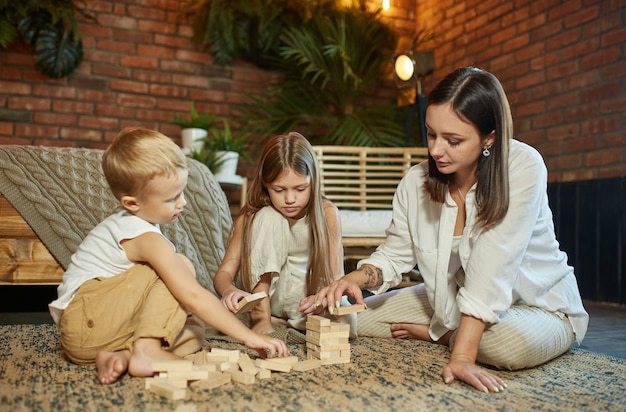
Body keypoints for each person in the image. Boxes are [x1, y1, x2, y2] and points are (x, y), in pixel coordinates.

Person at [314, 66, 589, 393]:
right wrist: (351, 280)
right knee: (341, 319)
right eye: (431, 134)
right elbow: (395, 254)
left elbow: (491, 268)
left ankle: (443, 334)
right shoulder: (415, 182)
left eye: (453, 140)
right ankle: (446, 329)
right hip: (454, 295)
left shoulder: (522, 166)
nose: (435, 150)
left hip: (541, 307)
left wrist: (460, 355)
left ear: (490, 137)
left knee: (506, 345)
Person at [48, 127, 289, 385]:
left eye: (182, 193)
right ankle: (146, 350)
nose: (182, 203)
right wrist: (249, 337)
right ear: (132, 203)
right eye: (172, 198)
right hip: (83, 323)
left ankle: (122, 354)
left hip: (96, 333)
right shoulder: (141, 236)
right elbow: (192, 294)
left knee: (194, 331)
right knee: (180, 269)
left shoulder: (142, 224)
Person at [213, 132, 349, 335]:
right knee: (268, 215)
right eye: (279, 190)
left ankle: (286, 321)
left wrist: (322, 300)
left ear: (313, 181)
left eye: (300, 188)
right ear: (265, 185)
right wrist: (228, 290)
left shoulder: (327, 213)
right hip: (268, 300)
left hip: (306, 304)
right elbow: (223, 274)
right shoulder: (251, 217)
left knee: (349, 320)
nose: (290, 199)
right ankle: (261, 317)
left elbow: (336, 277)